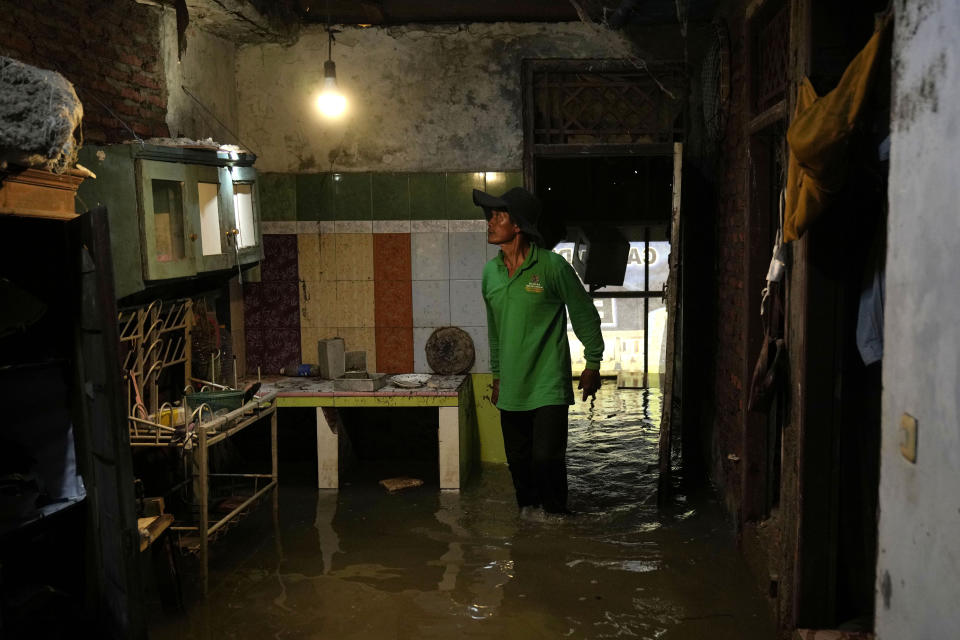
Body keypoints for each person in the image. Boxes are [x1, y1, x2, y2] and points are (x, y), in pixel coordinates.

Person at [474, 186, 603, 516]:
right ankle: (530, 530)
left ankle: (557, 521)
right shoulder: (491, 273)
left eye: (498, 215)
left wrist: (593, 363)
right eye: (491, 215)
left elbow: (584, 313)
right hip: (512, 386)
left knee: (546, 459)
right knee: (518, 463)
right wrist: (499, 376)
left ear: (517, 224)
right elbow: (495, 331)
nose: (490, 221)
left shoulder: (551, 267)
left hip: (548, 384)